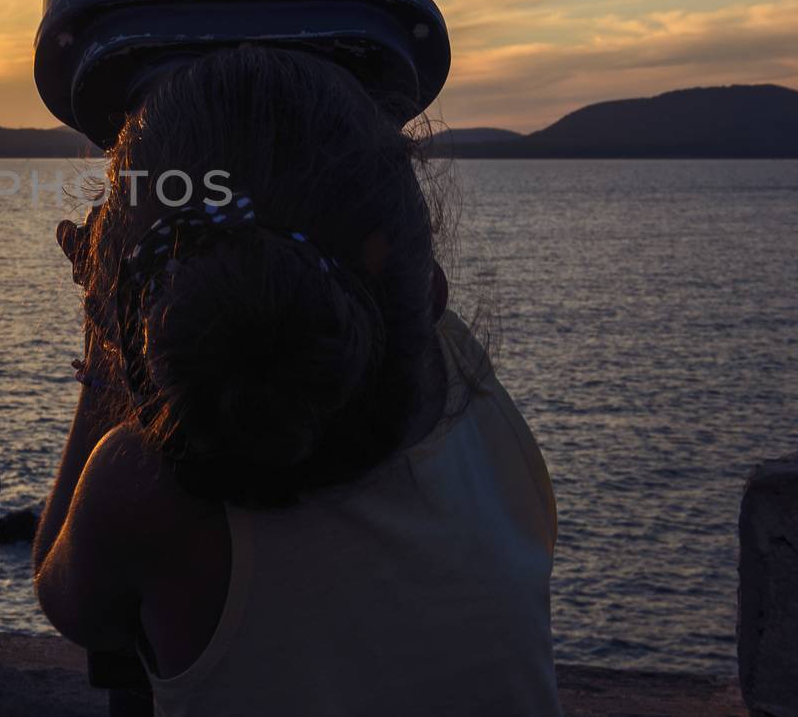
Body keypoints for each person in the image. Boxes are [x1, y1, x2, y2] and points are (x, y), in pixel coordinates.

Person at [32, 45, 560, 716]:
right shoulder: (464, 378)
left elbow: (68, 601)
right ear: (427, 293)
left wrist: (112, 347)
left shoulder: (141, 490)